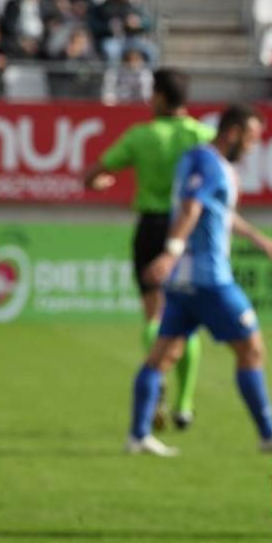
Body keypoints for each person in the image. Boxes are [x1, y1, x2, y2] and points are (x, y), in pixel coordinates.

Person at [125, 104, 272, 456]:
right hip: (208, 279)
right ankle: (266, 433)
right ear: (232, 132)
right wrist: (169, 252)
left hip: (182, 284)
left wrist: (259, 240)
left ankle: (138, 436)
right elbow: (191, 209)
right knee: (252, 348)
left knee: (161, 356)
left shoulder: (199, 160)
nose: (252, 147)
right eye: (251, 139)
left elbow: (219, 213)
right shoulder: (210, 163)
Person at [83, 70, 213, 431]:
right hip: (187, 229)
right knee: (188, 320)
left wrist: (102, 181)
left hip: (151, 227)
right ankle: (184, 405)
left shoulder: (140, 136)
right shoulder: (200, 135)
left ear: (158, 97)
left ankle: (155, 381)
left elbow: (92, 175)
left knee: (154, 315)